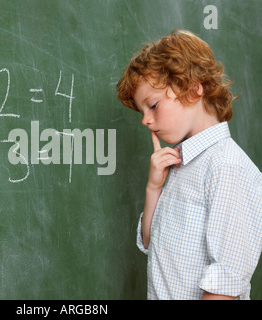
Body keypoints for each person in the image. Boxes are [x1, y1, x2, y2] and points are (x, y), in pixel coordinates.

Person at [116, 30, 262, 300]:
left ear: (195, 89)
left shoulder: (227, 167)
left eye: (153, 105)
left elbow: (226, 284)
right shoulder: (182, 164)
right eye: (142, 112)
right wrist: (153, 188)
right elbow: (150, 243)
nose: (145, 120)